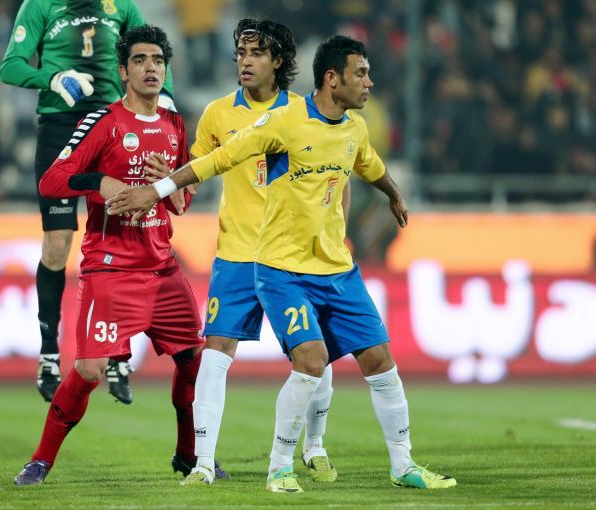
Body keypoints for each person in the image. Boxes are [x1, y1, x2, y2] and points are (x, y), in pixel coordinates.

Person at [107, 35, 458, 493]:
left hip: (337, 268)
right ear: (333, 79)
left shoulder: (354, 127)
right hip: (279, 267)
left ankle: (401, 465)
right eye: (361, 74)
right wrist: (156, 192)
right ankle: (271, 467)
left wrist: (393, 194)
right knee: (308, 359)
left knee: (381, 362)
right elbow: (219, 159)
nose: (369, 83)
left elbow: (369, 165)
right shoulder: (283, 121)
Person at [13, 26, 227, 485]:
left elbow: (181, 204)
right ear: (123, 71)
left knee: (195, 359)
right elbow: (52, 180)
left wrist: (168, 184)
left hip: (163, 266)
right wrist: (99, 182)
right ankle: (40, 460)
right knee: (89, 370)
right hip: (111, 268)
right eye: (141, 60)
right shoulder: (103, 122)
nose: (151, 68)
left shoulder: (174, 124)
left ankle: (189, 454)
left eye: (158, 60)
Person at [168, 18, 349, 487]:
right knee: (215, 352)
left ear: (279, 61)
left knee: (317, 354)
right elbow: (196, 174)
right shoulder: (217, 114)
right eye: (241, 54)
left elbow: (339, 179)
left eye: (256, 53)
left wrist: (333, 238)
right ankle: (203, 463)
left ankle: (315, 447)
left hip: (294, 257)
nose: (245, 62)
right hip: (237, 253)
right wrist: (169, 187)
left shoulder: (306, 113)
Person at [0, 0, 175, 403]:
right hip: (59, 127)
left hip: (112, 125)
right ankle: (49, 353)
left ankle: (118, 354)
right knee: (57, 245)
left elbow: (150, 53)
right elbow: (10, 66)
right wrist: (53, 78)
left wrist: (165, 98)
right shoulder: (41, 5)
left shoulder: (121, 6)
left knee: (123, 243)